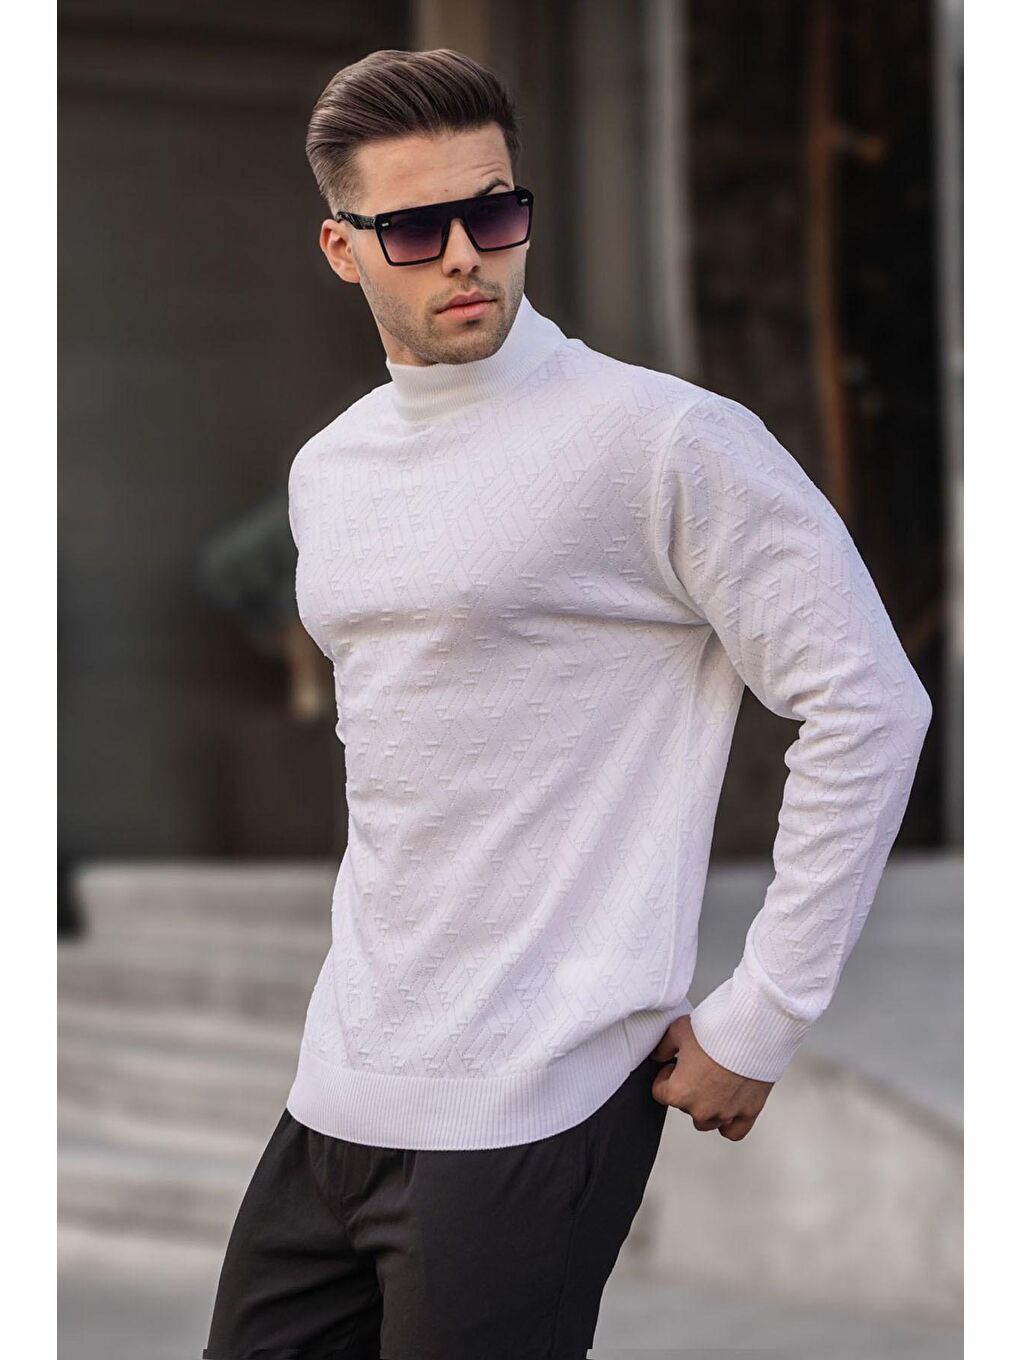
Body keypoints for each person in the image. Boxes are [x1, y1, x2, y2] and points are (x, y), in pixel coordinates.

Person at [203, 46, 932, 1360]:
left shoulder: (664, 441)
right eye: (415, 230)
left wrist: (764, 1012)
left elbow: (870, 706)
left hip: (542, 1098)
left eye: (495, 213)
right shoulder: (328, 472)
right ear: (341, 248)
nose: (466, 256)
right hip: (342, 1088)